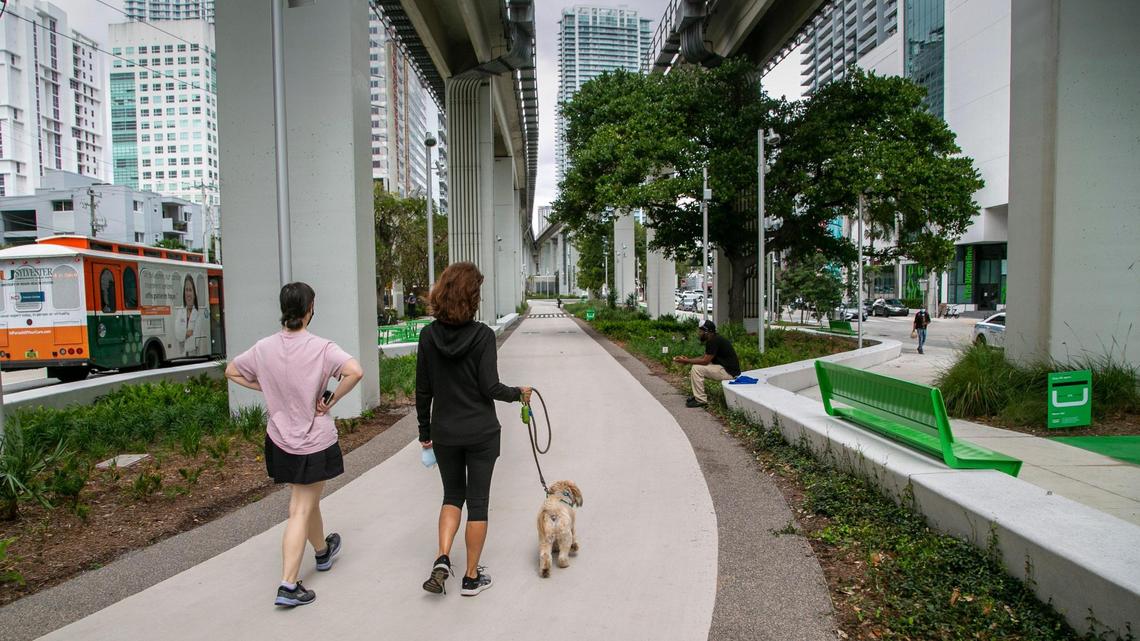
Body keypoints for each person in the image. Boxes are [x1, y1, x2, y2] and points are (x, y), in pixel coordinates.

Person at [225, 282, 364, 608]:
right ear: (310, 308)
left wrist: (266, 388)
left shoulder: (263, 347)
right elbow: (354, 371)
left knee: (307, 498)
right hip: (313, 440)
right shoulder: (321, 347)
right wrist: (330, 397)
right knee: (300, 507)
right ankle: (288, 585)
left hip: (280, 441)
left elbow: (232, 370)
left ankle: (323, 552)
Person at [417, 262, 532, 597]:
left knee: (452, 496)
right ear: (472, 296)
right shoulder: (482, 335)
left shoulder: (428, 335)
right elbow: (489, 387)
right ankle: (470, 577)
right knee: (478, 503)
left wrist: (425, 432)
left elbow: (423, 390)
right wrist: (518, 394)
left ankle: (442, 559)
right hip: (481, 432)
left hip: (445, 433)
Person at [673, 320, 741, 408]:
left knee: (697, 369)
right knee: (697, 367)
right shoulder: (714, 339)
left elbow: (705, 361)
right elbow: (704, 357)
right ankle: (698, 396)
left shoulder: (714, 341)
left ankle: (700, 400)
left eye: (701, 331)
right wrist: (688, 360)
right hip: (725, 369)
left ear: (707, 332)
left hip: (729, 373)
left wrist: (687, 361)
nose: (699, 333)